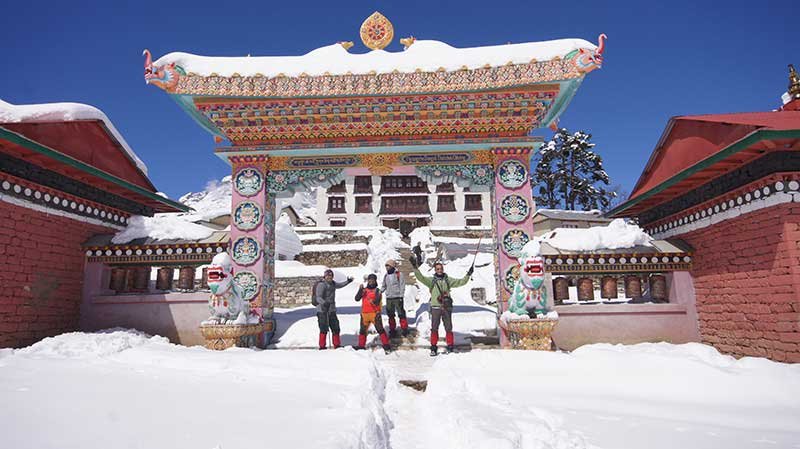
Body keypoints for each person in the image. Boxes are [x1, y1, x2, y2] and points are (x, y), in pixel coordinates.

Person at [410, 258, 473, 356]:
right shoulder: (431, 281)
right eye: (438, 269)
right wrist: (415, 267)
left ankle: (450, 346)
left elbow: (460, 282)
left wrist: (468, 275)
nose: (440, 270)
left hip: (446, 307)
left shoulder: (448, 280)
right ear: (435, 270)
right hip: (435, 307)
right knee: (434, 328)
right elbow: (421, 278)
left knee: (448, 328)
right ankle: (433, 347)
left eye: (441, 268)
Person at [312, 268, 353, 350]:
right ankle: (322, 346)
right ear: (325, 276)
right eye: (328, 276)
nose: (329, 278)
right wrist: (324, 303)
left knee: (335, 327)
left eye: (331, 276)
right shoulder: (321, 285)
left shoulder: (333, 284)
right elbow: (318, 297)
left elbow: (340, 285)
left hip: (332, 310)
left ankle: (337, 345)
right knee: (323, 328)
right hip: (322, 310)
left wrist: (348, 281)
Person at [354, 273, 391, 353]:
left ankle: (386, 346)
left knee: (380, 330)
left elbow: (377, 302)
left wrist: (373, 301)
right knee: (362, 331)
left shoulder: (378, 291)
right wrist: (360, 290)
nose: (371, 281)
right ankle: (361, 346)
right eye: (369, 280)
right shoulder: (364, 290)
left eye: (372, 280)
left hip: (375, 314)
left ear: (375, 281)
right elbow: (357, 298)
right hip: (364, 314)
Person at [381, 259, 408, 337]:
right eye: (386, 266)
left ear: (392, 266)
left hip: (397, 297)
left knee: (401, 313)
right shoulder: (386, 276)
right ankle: (392, 329)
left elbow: (402, 285)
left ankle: (404, 328)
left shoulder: (399, 274)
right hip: (389, 298)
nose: (387, 268)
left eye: (388, 266)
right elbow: (384, 286)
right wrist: (379, 292)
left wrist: (401, 296)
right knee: (390, 314)